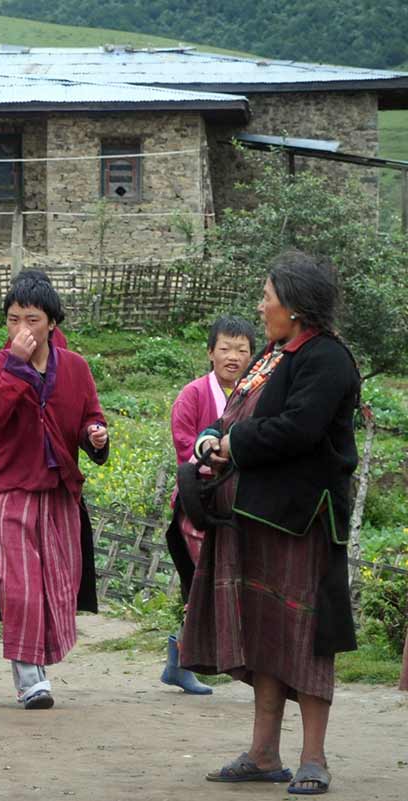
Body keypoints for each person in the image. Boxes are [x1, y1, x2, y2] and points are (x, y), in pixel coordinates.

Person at [182, 252, 361, 796]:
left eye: (268, 296)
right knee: (264, 632)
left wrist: (234, 444)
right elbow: (236, 410)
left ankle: (313, 757)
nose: (261, 306)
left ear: (297, 305)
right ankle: (263, 753)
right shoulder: (273, 355)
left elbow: (299, 429)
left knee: (305, 635)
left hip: (301, 518)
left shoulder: (326, 359)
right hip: (253, 514)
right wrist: (213, 436)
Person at [0, 273, 109, 710]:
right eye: (13, 320)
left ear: (52, 323)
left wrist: (95, 434)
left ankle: (38, 662)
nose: (22, 330)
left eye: (32, 320)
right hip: (10, 489)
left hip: (58, 491)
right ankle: (29, 676)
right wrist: (16, 368)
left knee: (58, 583)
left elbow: (92, 414)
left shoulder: (76, 367)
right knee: (20, 584)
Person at [159, 316, 256, 696]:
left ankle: (178, 659)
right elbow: (185, 444)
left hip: (238, 506)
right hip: (198, 506)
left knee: (212, 586)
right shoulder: (194, 394)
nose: (233, 357)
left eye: (242, 350)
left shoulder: (254, 395)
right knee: (207, 582)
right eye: (225, 349)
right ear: (210, 353)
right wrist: (212, 456)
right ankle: (188, 659)